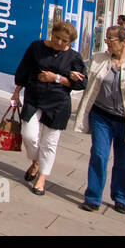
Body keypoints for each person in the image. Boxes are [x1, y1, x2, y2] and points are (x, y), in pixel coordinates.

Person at [73, 25, 125, 214]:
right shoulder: (98, 59)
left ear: (124, 42)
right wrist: (77, 77)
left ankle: (121, 197)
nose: (107, 43)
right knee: (99, 155)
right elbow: (86, 80)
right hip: (101, 116)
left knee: (124, 163)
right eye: (106, 40)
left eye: (110, 40)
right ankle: (93, 197)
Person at [10, 20, 86, 196]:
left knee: (49, 142)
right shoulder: (37, 47)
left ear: (70, 43)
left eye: (64, 41)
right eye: (57, 37)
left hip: (58, 103)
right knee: (28, 135)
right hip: (34, 97)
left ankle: (42, 177)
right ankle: (36, 160)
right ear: (52, 33)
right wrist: (16, 92)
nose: (59, 43)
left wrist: (58, 78)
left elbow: (82, 83)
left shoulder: (74, 58)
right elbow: (24, 69)